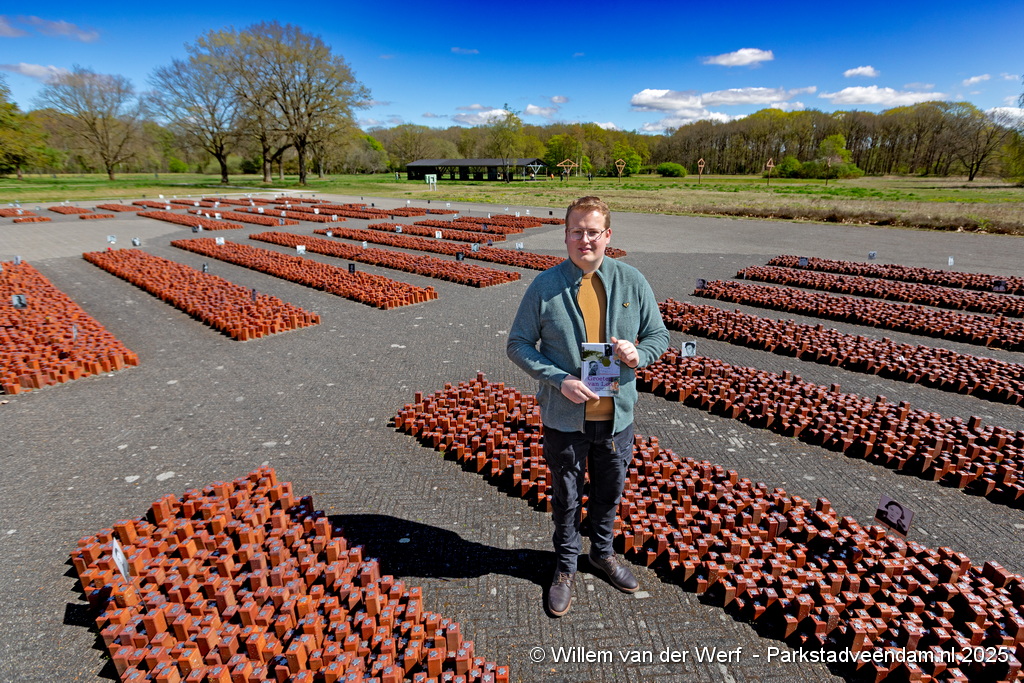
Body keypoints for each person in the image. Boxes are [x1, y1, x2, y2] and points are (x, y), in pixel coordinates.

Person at [507, 196, 669, 617]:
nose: (585, 239)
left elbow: (659, 335)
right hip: (565, 419)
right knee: (566, 498)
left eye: (593, 231)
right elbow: (518, 344)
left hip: (616, 418)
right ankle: (565, 566)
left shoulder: (632, 281)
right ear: (565, 236)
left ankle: (601, 553)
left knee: (609, 493)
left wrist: (638, 354)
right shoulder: (545, 287)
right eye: (576, 231)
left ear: (607, 235)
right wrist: (558, 379)